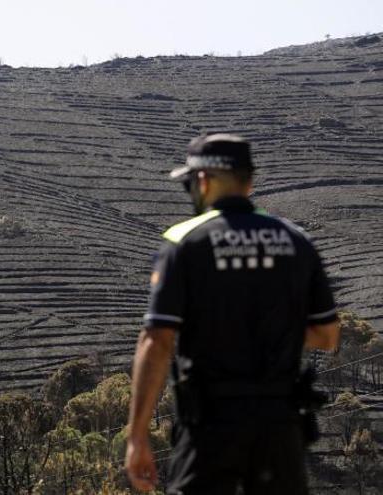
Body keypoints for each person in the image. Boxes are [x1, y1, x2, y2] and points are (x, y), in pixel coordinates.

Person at [124, 134, 341, 494]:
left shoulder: (184, 241)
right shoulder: (296, 240)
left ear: (204, 181)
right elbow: (328, 336)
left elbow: (157, 341)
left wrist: (137, 436)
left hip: (212, 425)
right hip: (280, 425)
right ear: (249, 181)